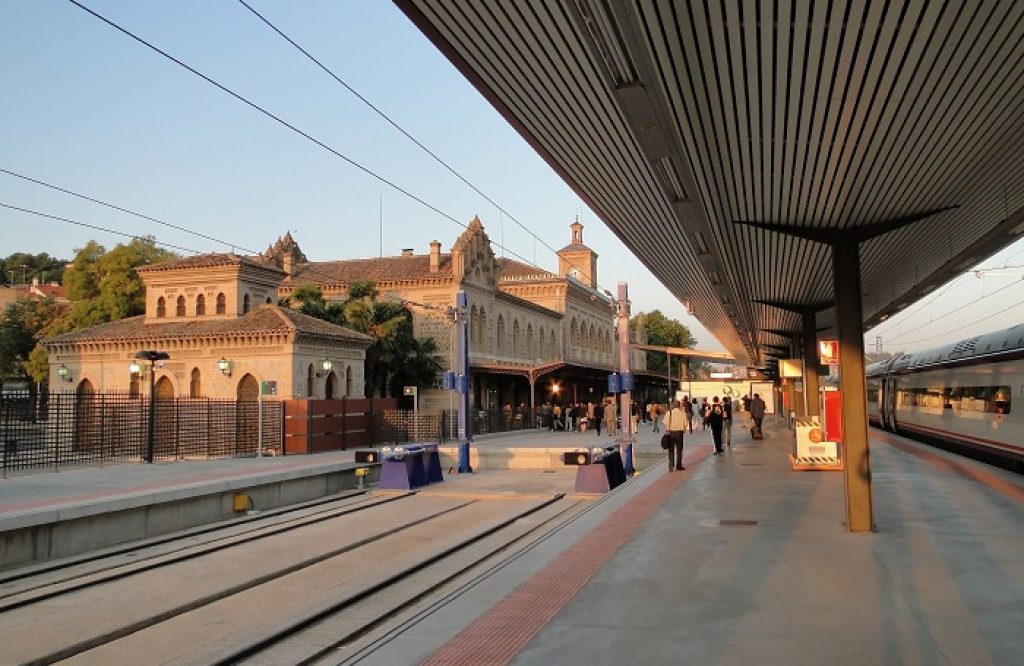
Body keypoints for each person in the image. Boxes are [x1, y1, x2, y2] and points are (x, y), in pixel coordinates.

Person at [662, 399, 687, 471]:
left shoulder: (668, 413)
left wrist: (667, 429)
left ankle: (671, 465)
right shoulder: (683, 413)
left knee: (671, 450)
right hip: (679, 433)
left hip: (671, 433)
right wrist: (683, 430)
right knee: (679, 450)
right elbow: (685, 424)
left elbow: (665, 423)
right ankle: (679, 465)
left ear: (673, 405)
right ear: (679, 406)